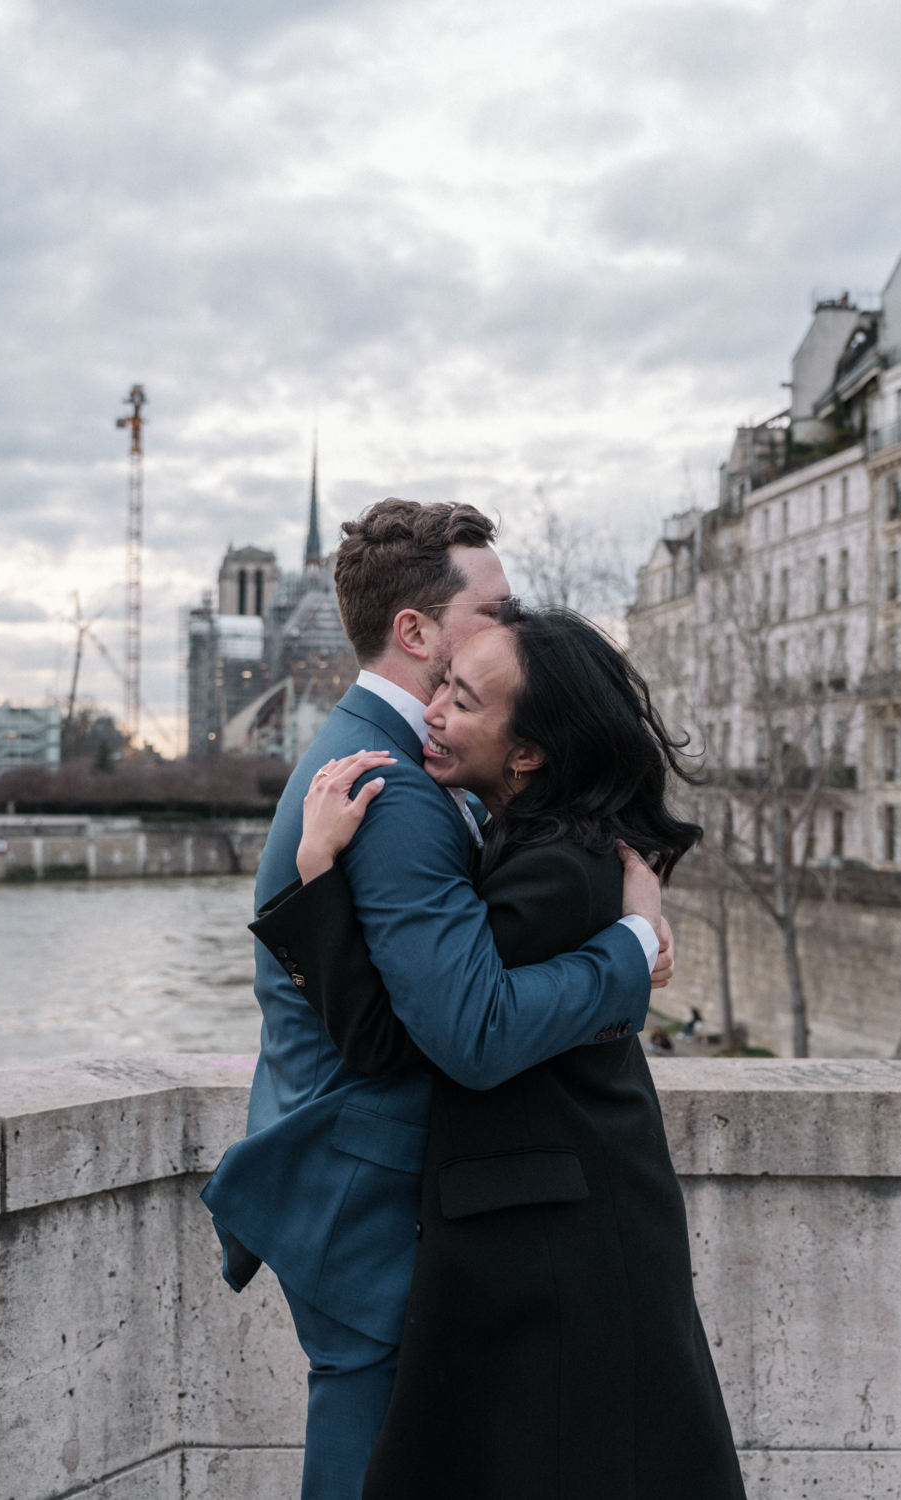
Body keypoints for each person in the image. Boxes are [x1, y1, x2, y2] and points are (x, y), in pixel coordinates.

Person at [201, 500, 672, 1500]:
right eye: (494, 605)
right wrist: (628, 952)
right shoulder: (395, 792)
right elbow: (468, 1027)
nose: (513, 622)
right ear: (416, 632)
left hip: (356, 1179)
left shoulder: (396, 758)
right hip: (367, 1193)